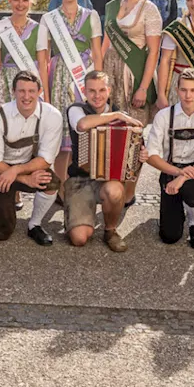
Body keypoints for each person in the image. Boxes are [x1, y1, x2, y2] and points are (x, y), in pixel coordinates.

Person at [62, 70, 142, 252]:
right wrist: (115, 116)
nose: (97, 96)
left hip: (107, 179)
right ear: (85, 91)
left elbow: (132, 147)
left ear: (109, 90)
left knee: (114, 191)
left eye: (102, 90)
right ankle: (78, 214)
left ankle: (110, 230)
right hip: (80, 179)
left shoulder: (119, 112)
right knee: (79, 239)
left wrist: (139, 154)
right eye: (92, 91)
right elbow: (82, 125)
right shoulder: (76, 109)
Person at [144, 69, 194, 248]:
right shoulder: (164, 116)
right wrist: (178, 172)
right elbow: (151, 155)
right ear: (177, 90)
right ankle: (178, 209)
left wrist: (184, 177)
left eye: (193, 90)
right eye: (184, 90)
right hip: (170, 170)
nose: (188, 95)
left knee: (191, 188)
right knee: (169, 236)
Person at [38, 0, 104, 182]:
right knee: (62, 135)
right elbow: (43, 57)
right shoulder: (49, 19)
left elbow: (96, 52)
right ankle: (61, 185)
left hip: (84, 77)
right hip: (58, 77)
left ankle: (85, 181)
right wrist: (45, 94)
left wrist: (100, 85)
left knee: (86, 130)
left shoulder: (92, 16)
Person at [0, 70, 64, 244]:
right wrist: (24, 179)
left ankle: (34, 225)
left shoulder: (52, 116)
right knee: (1, 233)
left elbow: (46, 159)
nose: (26, 96)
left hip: (29, 165)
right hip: (0, 171)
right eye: (21, 91)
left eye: (31, 91)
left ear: (39, 92)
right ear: (13, 92)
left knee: (51, 182)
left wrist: (19, 171)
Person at [100, 0, 163, 131]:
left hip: (134, 71)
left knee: (133, 126)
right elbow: (105, 44)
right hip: (110, 70)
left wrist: (143, 88)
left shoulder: (150, 10)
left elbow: (153, 52)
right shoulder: (112, 6)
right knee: (108, 124)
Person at [0, 0, 39, 111]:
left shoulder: (39, 29)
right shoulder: (0, 27)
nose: (20, 4)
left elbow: (43, 64)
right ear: (10, 1)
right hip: (6, 81)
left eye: (25, 0)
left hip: (29, 80)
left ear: (31, 2)